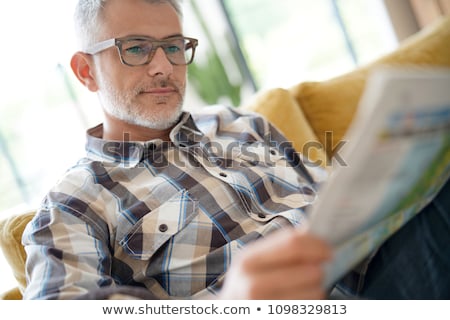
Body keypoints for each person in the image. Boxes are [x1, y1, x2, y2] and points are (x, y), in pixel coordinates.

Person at [22, 0, 450, 300]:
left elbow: (334, 197)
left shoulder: (239, 124)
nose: (163, 67)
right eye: (136, 49)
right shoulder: (74, 205)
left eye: (173, 46)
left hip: (389, 267)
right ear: (85, 71)